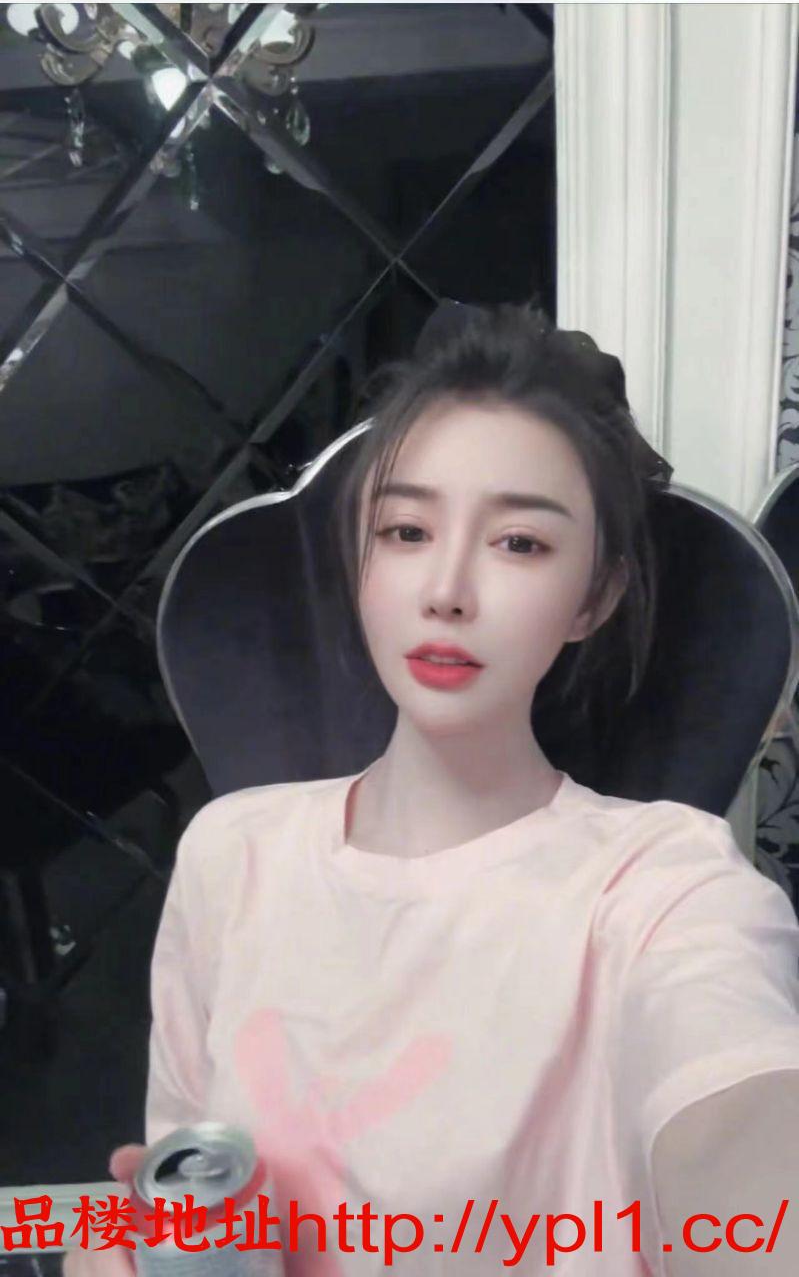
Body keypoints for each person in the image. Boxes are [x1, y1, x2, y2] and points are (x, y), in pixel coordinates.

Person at [64, 301, 799, 1276]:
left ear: (593, 596)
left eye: (519, 543)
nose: (446, 588)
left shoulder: (663, 888)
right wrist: (125, 1248)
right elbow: (184, 1199)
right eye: (406, 529)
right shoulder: (230, 851)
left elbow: (745, 1160)